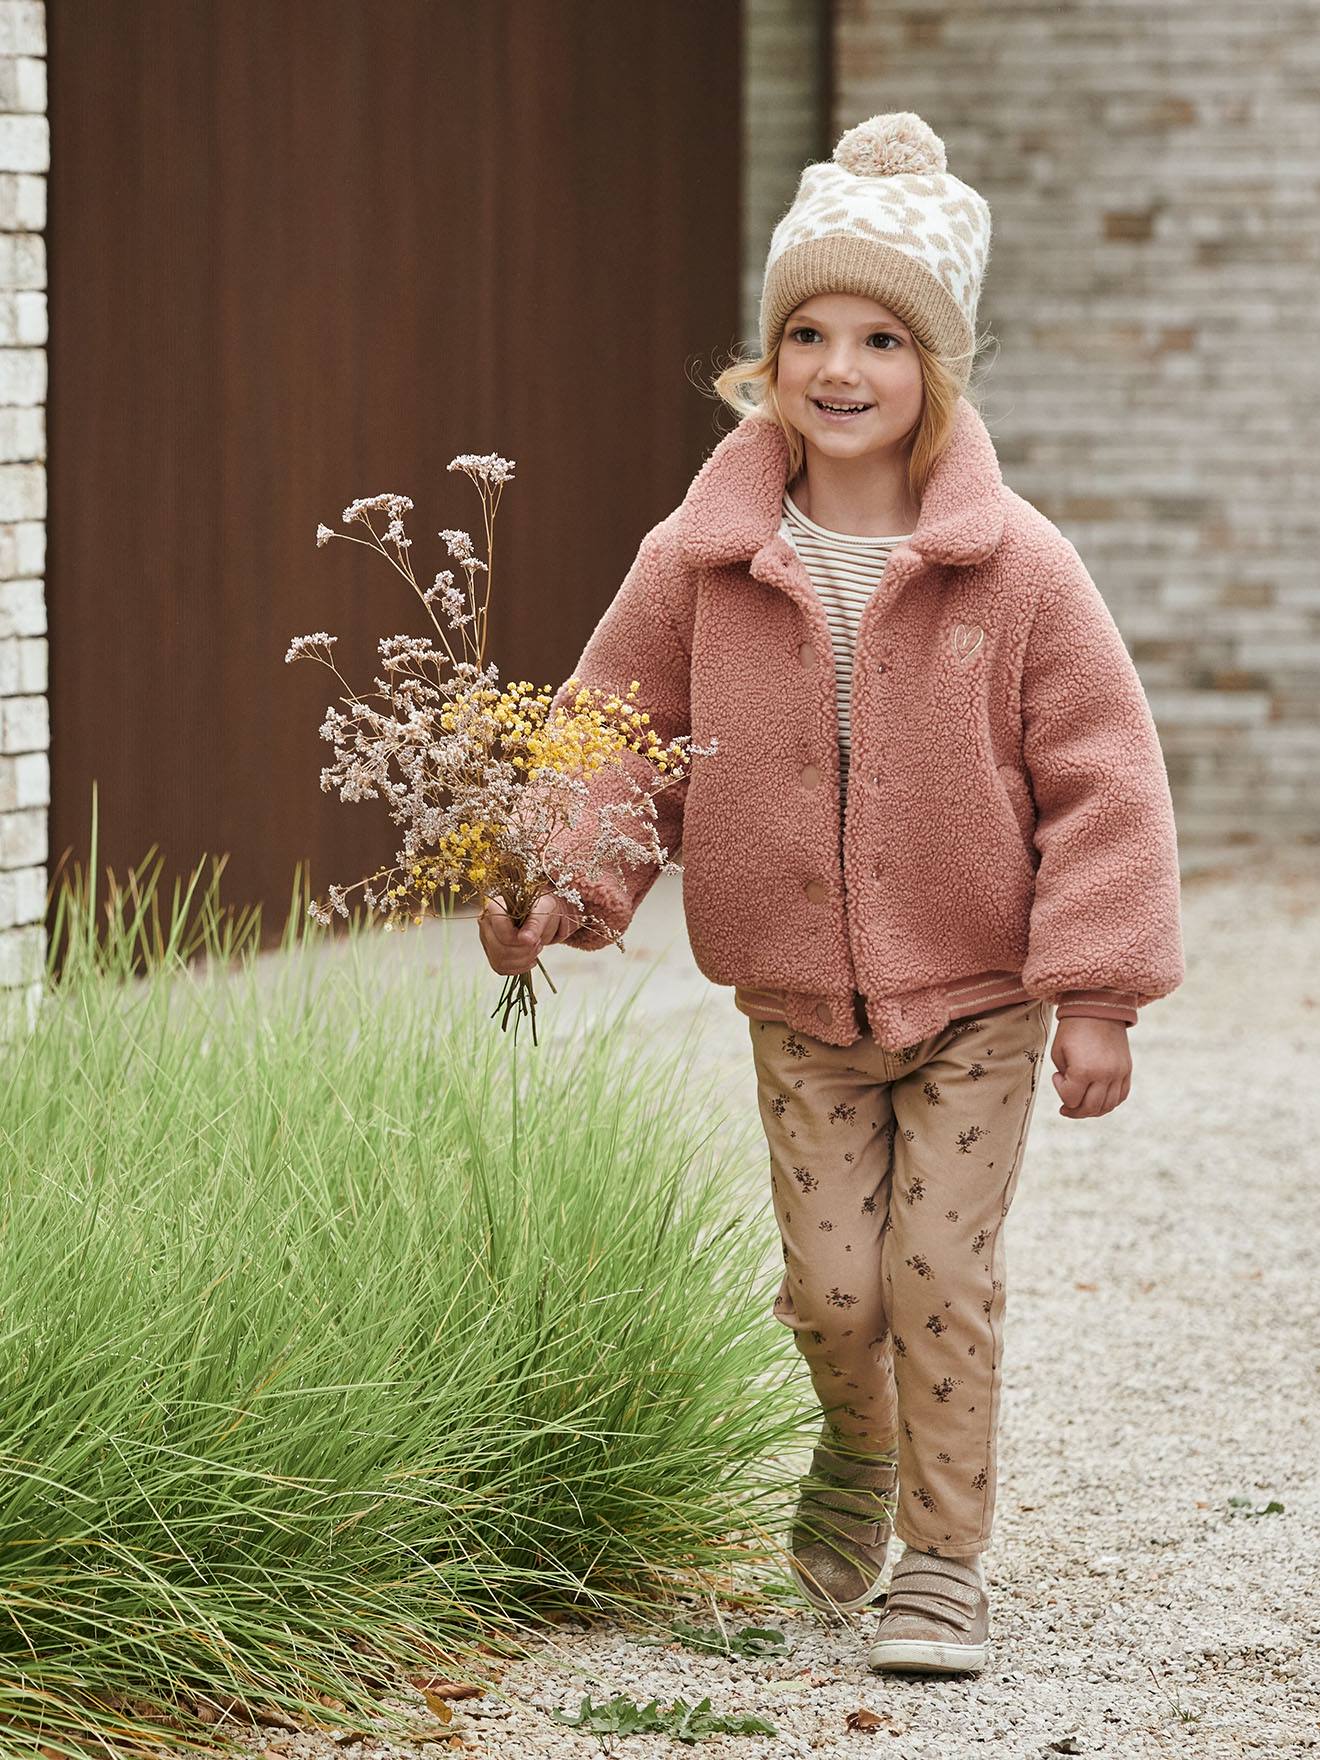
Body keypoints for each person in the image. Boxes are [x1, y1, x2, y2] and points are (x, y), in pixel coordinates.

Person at [479, 111, 1184, 1676]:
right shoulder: (703, 557)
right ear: (767, 358)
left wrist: (1103, 991)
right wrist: (559, 882)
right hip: (797, 1002)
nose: (840, 364)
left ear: (941, 367)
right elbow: (615, 735)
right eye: (807, 331)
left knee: (938, 1275)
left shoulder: (1019, 571)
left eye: (881, 335)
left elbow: (1106, 782)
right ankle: (854, 1454)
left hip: (978, 1004)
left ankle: (942, 1561)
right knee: (830, 1291)